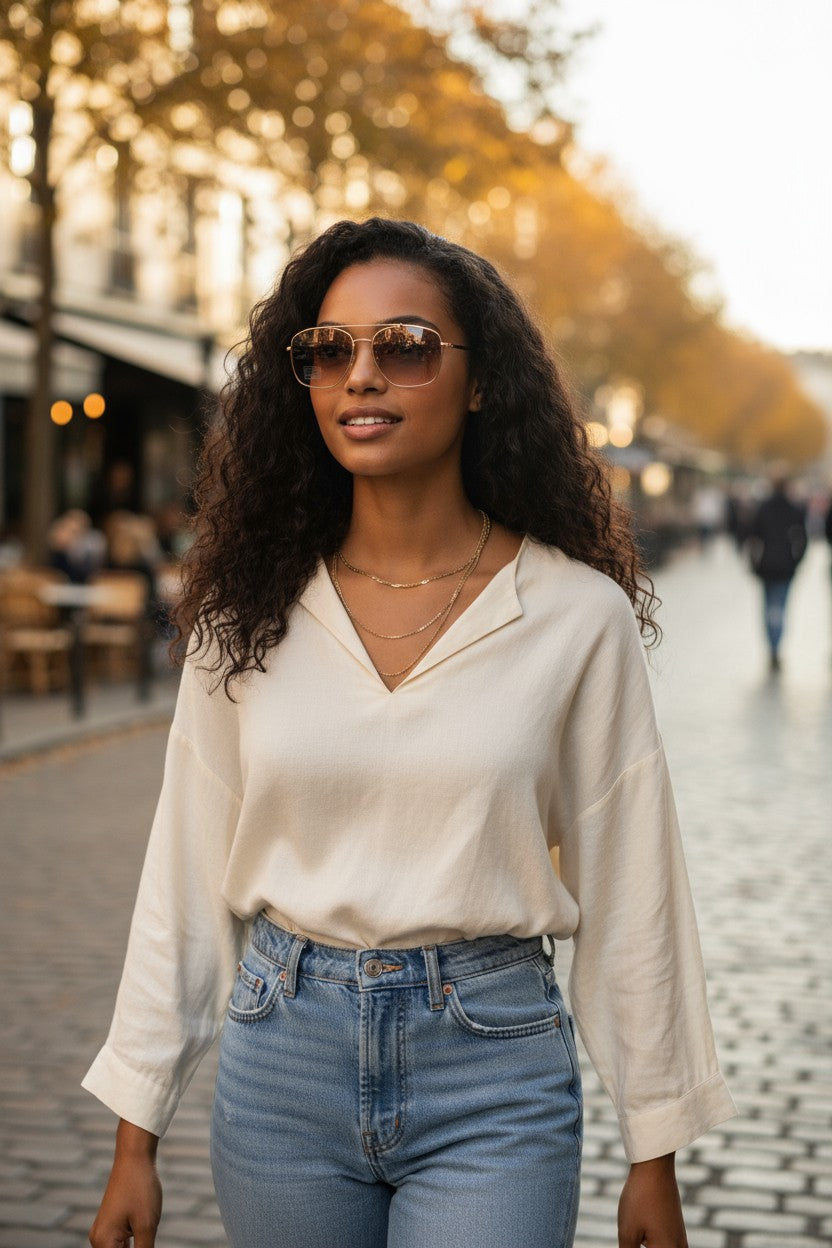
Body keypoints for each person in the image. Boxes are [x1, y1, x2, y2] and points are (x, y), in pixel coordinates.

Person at [83, 218, 735, 1248]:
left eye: (406, 346)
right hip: (280, 1069)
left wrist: (652, 1150)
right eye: (329, 350)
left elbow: (633, 881)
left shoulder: (573, 615)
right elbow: (183, 869)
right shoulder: (245, 610)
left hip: (493, 1071)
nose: (362, 376)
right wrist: (135, 1137)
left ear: (480, 382)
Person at [747, 473, 808, 671]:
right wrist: (795, 560)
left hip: (767, 566)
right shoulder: (794, 509)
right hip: (785, 567)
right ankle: (776, 644)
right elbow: (802, 539)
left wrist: (754, 564)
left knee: (769, 608)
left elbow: (753, 538)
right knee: (780, 607)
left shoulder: (763, 508)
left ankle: (772, 646)